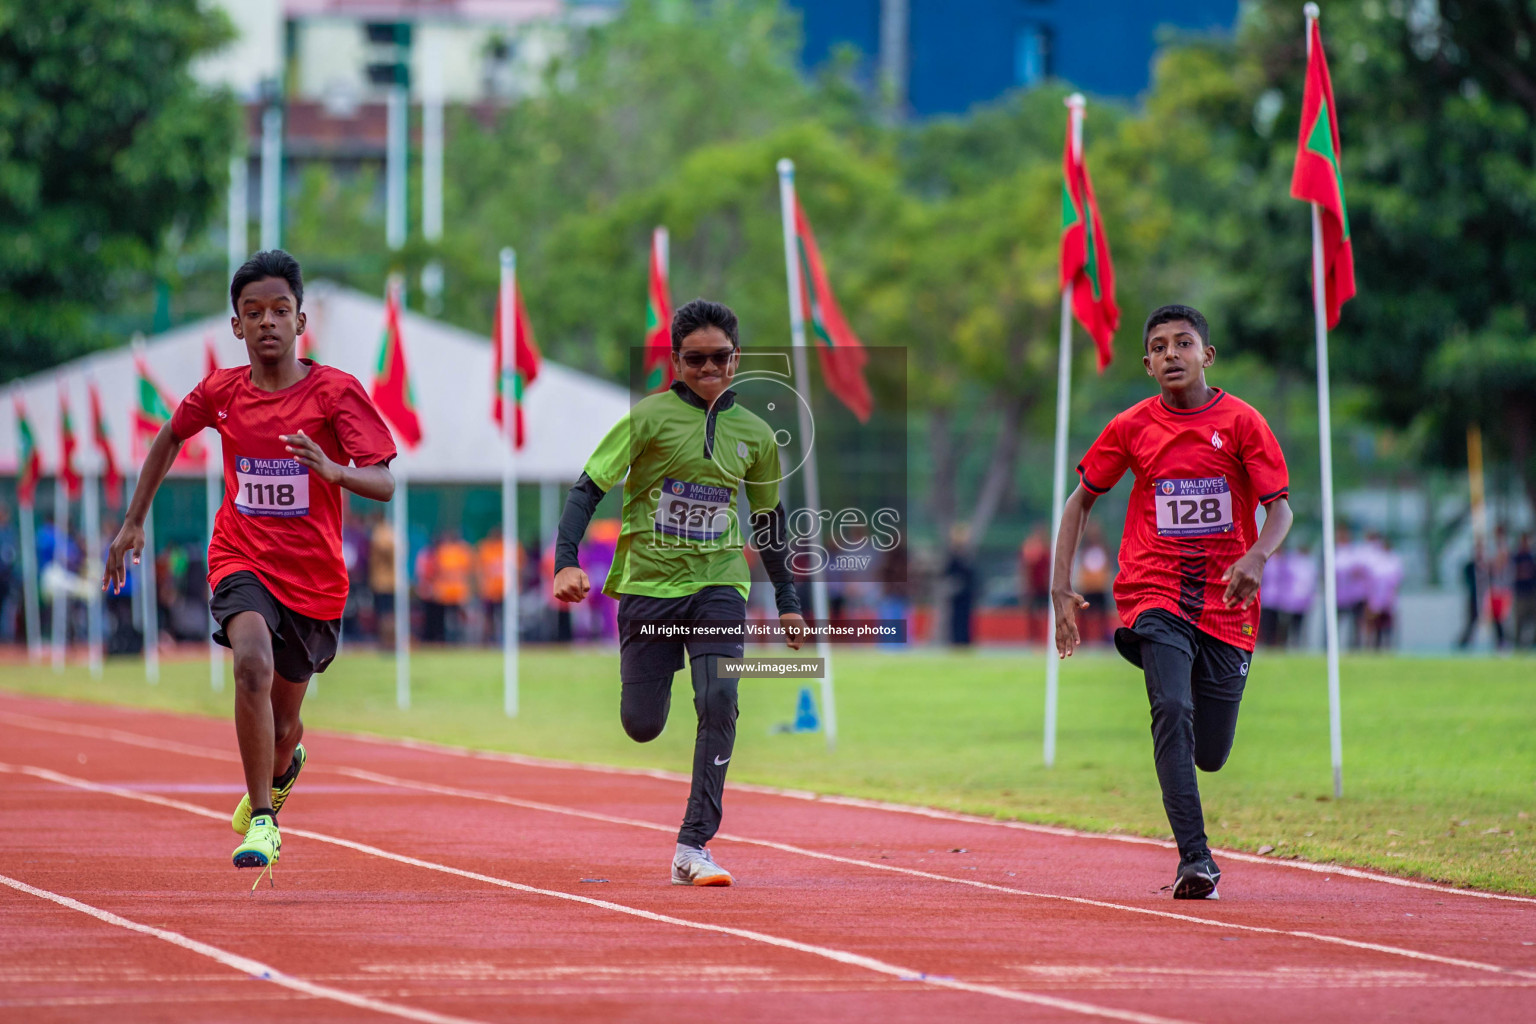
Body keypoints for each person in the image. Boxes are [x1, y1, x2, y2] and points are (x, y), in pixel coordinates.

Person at [105, 249, 396, 882]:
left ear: (300, 320)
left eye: (280, 311)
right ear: (237, 325)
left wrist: (332, 469)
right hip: (239, 556)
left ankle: (282, 770)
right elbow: (169, 435)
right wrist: (133, 521)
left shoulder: (335, 391)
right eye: (253, 312)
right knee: (251, 666)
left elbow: (383, 482)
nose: (267, 322)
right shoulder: (221, 393)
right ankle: (263, 818)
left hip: (315, 581)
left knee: (286, 724)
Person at [551, 299, 807, 887]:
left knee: (719, 700)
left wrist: (789, 604)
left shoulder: (757, 435)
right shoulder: (647, 419)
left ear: (737, 359)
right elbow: (588, 488)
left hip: (718, 585)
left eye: (720, 357)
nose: (709, 368)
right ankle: (650, 706)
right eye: (696, 359)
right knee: (642, 723)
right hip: (649, 588)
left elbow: (768, 520)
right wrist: (565, 563)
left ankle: (694, 844)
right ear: (677, 360)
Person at [1051, 304, 1292, 901]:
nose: (1170, 355)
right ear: (1147, 363)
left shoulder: (1242, 423)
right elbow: (1079, 501)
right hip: (1152, 591)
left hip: (1228, 603)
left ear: (1206, 355)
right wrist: (1059, 588)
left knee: (1208, 752)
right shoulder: (1131, 426)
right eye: (1158, 347)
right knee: (1172, 712)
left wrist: (1256, 556)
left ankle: (1195, 832)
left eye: (1183, 344)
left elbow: (1280, 509)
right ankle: (1197, 860)